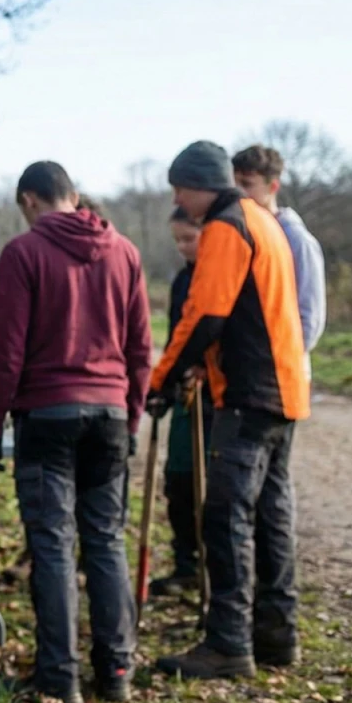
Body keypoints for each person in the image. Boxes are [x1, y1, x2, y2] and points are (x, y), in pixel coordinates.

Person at [0, 161, 150, 703]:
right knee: (104, 541)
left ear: (30, 199)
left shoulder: (23, 253)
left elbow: (7, 351)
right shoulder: (124, 251)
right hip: (108, 414)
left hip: (47, 415)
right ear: (73, 196)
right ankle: (116, 671)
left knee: (52, 547)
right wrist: (133, 416)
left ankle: (60, 676)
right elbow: (140, 349)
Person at [149, 140, 308, 679]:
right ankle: (276, 634)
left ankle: (228, 644)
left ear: (200, 186)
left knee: (225, 516)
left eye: (180, 189)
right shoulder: (263, 221)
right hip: (284, 391)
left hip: (247, 394)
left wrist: (162, 379)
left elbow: (206, 314)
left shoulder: (225, 226)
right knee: (270, 515)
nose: (179, 200)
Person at [150, 208, 216, 598]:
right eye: (177, 240)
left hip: (217, 396)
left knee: (211, 486)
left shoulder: (221, 274)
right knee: (178, 481)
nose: (182, 247)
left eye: (188, 239)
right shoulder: (180, 282)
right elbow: (177, 336)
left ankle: (215, 567)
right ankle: (185, 563)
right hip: (183, 394)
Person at [232, 144, 326, 360]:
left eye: (247, 184)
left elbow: (309, 318)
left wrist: (276, 360)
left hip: (281, 370)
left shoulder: (297, 240)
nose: (238, 193)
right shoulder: (238, 234)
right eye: (234, 184)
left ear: (272, 187)